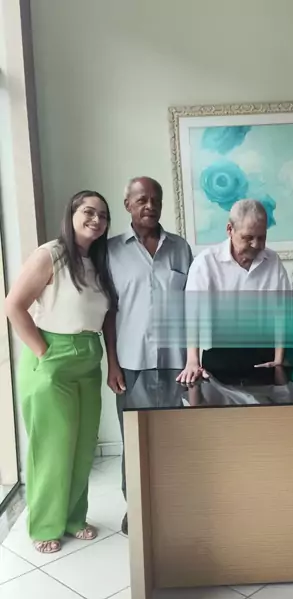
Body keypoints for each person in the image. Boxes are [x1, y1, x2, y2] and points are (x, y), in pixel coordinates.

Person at [5, 190, 116, 553]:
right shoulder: (51, 254)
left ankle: (73, 518)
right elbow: (14, 306)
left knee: (83, 447)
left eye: (103, 215)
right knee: (52, 448)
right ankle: (45, 525)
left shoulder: (98, 261)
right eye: (89, 212)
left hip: (88, 359)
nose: (96, 219)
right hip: (53, 355)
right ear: (71, 214)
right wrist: (44, 351)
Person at [104, 176, 192, 535]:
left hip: (176, 363)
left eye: (156, 199)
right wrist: (111, 363)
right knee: (135, 439)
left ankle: (172, 504)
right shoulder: (111, 251)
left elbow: (193, 305)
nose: (150, 205)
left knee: (175, 438)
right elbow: (109, 311)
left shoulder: (180, 248)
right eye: (142, 199)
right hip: (131, 363)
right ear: (128, 204)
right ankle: (136, 508)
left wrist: (194, 360)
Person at [177, 199, 291, 384]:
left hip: (264, 356)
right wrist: (192, 361)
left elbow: (283, 313)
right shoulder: (206, 263)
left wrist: (278, 359)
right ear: (230, 229)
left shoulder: (272, 261)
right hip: (220, 357)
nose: (256, 244)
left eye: (261, 237)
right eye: (248, 237)